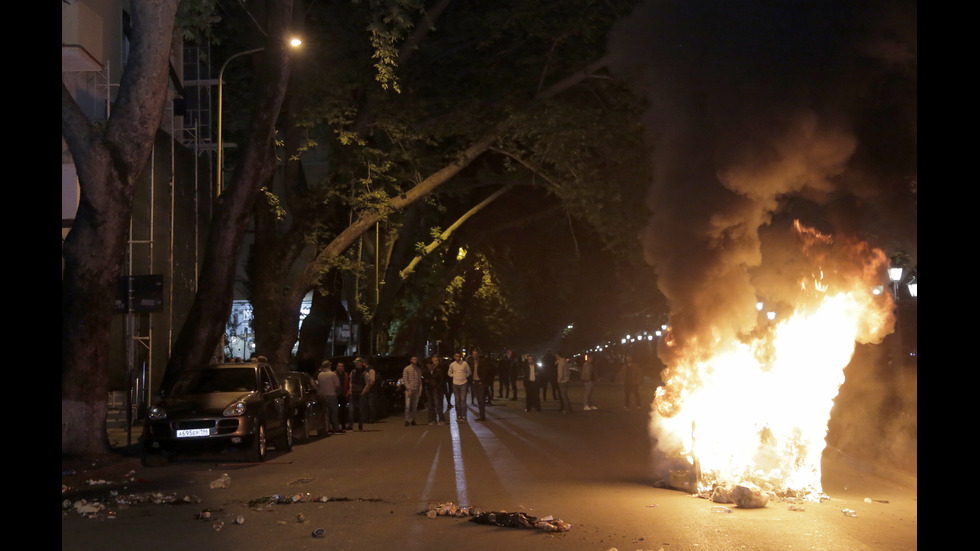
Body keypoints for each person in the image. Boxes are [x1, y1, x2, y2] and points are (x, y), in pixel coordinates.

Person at [316, 360, 343, 433]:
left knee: (326, 412)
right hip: (332, 394)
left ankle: (327, 428)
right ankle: (336, 427)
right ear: (328, 366)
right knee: (334, 412)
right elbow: (337, 384)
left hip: (323, 395)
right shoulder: (332, 374)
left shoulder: (320, 375)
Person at [422, 356, 447, 425]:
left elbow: (441, 380)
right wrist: (426, 382)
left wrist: (437, 387)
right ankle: (432, 419)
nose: (429, 367)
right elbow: (423, 378)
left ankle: (441, 419)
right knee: (430, 404)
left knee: (437, 404)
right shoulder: (426, 371)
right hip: (429, 389)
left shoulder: (438, 370)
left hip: (436, 389)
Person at [447, 352, 472, 422]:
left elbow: (469, 372)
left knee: (463, 400)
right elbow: (449, 373)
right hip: (455, 383)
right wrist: (454, 375)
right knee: (457, 400)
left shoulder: (465, 364)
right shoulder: (452, 364)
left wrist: (464, 376)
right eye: (456, 356)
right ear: (454, 357)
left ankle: (464, 415)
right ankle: (458, 415)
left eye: (459, 356)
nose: (458, 358)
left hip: (463, 383)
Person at [350, 357, 372, 431]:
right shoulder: (353, 372)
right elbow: (351, 381)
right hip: (353, 392)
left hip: (360, 393)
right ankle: (350, 425)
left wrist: (363, 392)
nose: (356, 364)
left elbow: (367, 383)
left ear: (361, 363)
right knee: (351, 409)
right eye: (355, 363)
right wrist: (350, 389)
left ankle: (360, 425)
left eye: (357, 363)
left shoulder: (365, 373)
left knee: (360, 410)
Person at [402, 355, 424, 426]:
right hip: (409, 390)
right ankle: (407, 419)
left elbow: (420, 381)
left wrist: (420, 390)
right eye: (414, 359)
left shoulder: (418, 370)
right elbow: (405, 379)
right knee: (408, 405)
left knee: (414, 406)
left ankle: (413, 419)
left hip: (416, 390)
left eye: (416, 359)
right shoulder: (407, 369)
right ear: (411, 360)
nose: (415, 361)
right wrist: (408, 389)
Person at [469, 349, 489, 421]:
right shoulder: (471, 362)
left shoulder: (483, 362)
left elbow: (485, 372)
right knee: (478, 399)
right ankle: (481, 415)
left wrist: (482, 381)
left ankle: (482, 416)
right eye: (474, 354)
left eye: (476, 354)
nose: (475, 356)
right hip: (474, 382)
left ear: (479, 354)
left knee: (481, 400)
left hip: (480, 382)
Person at [335, 361, 353, 430]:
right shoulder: (334, 374)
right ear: (337, 367)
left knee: (343, 411)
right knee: (336, 411)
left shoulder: (346, 375)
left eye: (342, 366)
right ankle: (336, 426)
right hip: (336, 394)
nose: (340, 368)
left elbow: (348, 383)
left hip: (343, 394)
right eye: (339, 366)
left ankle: (343, 426)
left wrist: (348, 391)